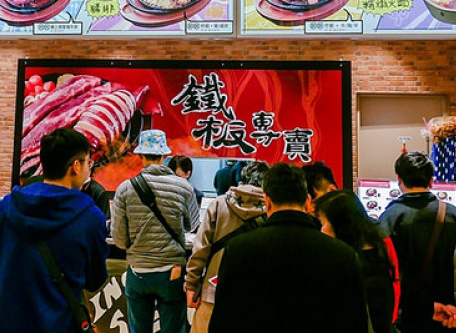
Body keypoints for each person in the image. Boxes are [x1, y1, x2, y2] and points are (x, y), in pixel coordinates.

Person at [0, 128, 109, 333]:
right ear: (76, 166)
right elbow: (94, 279)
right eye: (88, 163)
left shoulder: (4, 209)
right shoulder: (90, 218)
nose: (89, 170)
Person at [209, 162, 369, 333]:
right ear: (307, 201)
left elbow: (223, 321)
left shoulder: (239, 250)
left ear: (267, 202)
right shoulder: (343, 254)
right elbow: (356, 322)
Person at [111, 129, 200, 333]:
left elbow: (119, 240)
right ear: (164, 155)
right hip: (172, 271)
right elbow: (192, 225)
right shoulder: (184, 187)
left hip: (138, 271)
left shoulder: (125, 189)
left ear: (141, 156)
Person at [185, 160, 269, 333]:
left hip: (213, 292)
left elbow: (200, 249)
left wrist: (191, 285)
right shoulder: (271, 208)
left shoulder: (218, 204)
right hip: (255, 297)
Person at [379, 152, 456, 333]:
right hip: (448, 315)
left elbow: (384, 273)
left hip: (407, 314)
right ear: (431, 181)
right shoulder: (452, 215)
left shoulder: (389, 219)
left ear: (399, 179)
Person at [316, 189, 400, 333]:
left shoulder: (348, 263)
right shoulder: (380, 247)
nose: (321, 230)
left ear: (340, 225)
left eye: (323, 223)